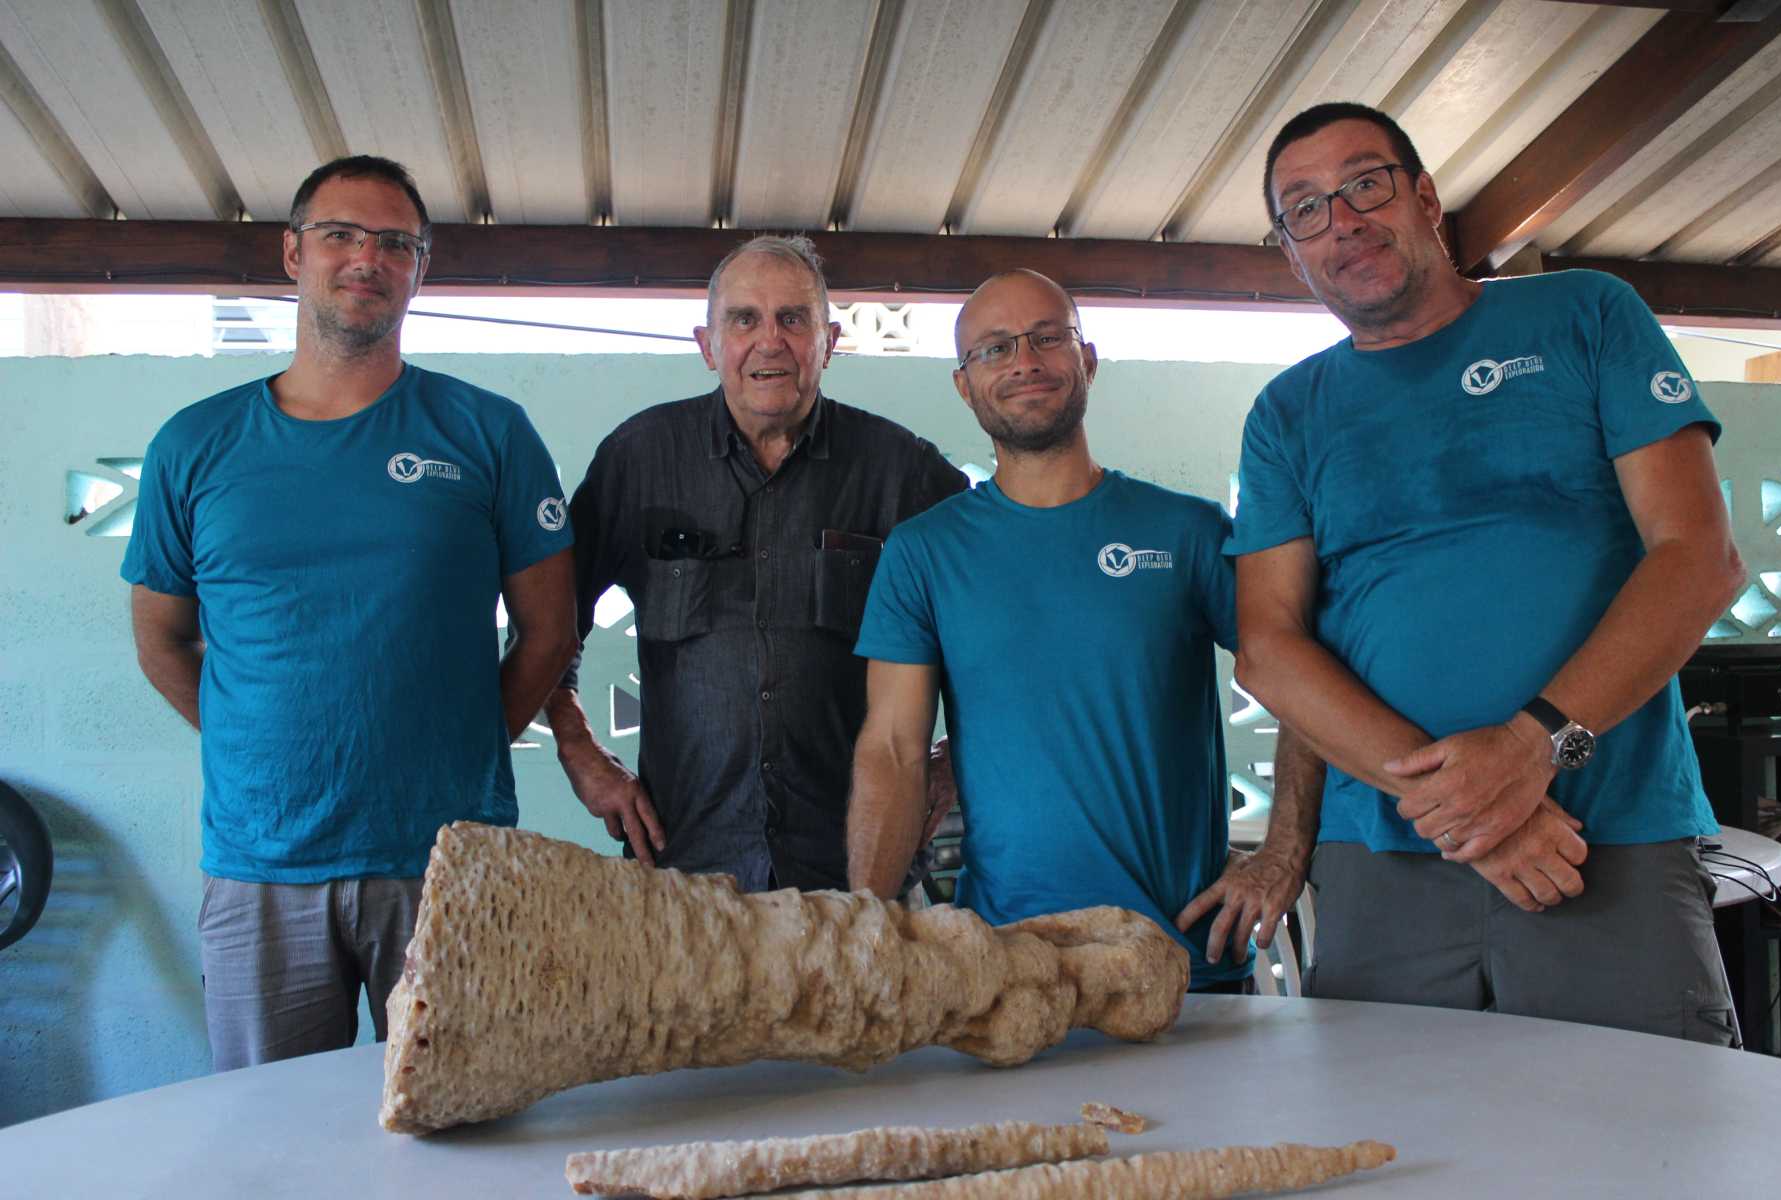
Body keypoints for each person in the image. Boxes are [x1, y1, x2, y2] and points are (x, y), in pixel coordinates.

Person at [1229, 101, 1745, 1041]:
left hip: (1604, 837)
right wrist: (1471, 810)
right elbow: (1268, 648)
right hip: (1384, 855)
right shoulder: (1287, 412)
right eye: (1303, 209)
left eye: (1364, 184)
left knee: (1649, 1151)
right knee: (1386, 1163)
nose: (1340, 219)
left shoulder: (1586, 313)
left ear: (1425, 197)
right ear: (1292, 255)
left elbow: (1699, 559)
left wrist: (1530, 747)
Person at [123, 156, 577, 1069]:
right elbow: (161, 638)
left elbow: (551, 632)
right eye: (340, 234)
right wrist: (249, 743)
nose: (366, 257)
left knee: (463, 1123)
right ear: (293, 253)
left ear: (419, 270)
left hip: (449, 862)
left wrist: (466, 743)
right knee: (271, 1142)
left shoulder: (488, 433)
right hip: (260, 870)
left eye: (395, 243)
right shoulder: (194, 444)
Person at [846, 269, 1313, 990]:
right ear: (964, 387)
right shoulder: (923, 554)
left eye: (1046, 338)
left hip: (1190, 970)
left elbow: (1305, 679)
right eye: (994, 350)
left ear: (1086, 359)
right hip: (1008, 975)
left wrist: (1282, 851)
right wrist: (863, 933)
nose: (1025, 362)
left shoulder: (1185, 533)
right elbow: (894, 751)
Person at [545, 235, 968, 893]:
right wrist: (582, 754)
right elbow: (548, 623)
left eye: (792, 319)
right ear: (708, 344)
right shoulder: (639, 459)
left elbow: (999, 629)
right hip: (684, 875)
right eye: (744, 319)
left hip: (855, 881)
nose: (769, 340)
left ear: (827, 341)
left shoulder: (902, 472)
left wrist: (951, 765)